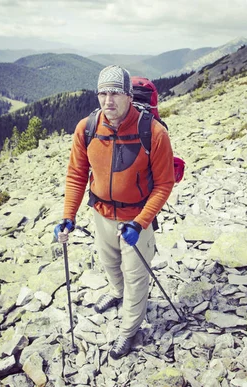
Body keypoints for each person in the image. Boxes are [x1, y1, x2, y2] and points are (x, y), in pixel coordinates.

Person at [54, 65, 175, 360]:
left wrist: (141, 222)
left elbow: (164, 184)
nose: (108, 101)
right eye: (103, 93)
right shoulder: (87, 128)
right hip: (102, 213)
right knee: (109, 262)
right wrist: (69, 216)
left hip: (137, 219)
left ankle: (127, 332)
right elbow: (76, 175)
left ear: (129, 96)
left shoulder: (153, 133)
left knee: (136, 277)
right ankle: (116, 292)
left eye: (116, 93)